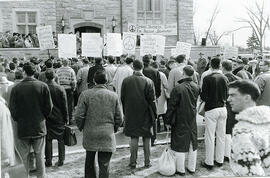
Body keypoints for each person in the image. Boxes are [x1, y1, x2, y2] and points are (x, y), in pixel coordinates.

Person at [75, 70, 122, 178]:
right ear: (107, 81)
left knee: (89, 161)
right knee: (104, 163)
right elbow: (119, 117)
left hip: (90, 131)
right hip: (107, 132)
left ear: (94, 81)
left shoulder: (85, 94)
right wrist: (113, 128)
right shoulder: (113, 96)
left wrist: (82, 127)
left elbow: (79, 115)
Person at [9, 62, 53, 178]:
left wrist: (18, 119)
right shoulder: (43, 86)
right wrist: (42, 117)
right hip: (39, 125)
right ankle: (41, 176)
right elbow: (49, 107)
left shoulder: (16, 88)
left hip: (23, 126)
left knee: (24, 156)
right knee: (40, 156)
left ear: (24, 72)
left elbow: (12, 109)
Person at [228, 80, 270, 176]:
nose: (228, 99)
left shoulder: (242, 131)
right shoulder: (267, 120)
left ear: (247, 97)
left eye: (233, 95)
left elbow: (250, 172)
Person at [121, 60, 157, 169]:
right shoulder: (148, 81)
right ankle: (147, 162)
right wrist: (155, 115)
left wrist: (126, 111)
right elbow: (152, 100)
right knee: (147, 137)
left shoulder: (126, 81)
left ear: (133, 67)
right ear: (142, 67)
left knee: (134, 137)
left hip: (131, 112)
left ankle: (133, 162)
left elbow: (123, 98)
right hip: (146, 112)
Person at [165, 65, 200, 175]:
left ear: (183, 73)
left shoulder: (178, 88)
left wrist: (168, 120)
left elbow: (171, 106)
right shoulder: (196, 87)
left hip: (180, 117)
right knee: (192, 141)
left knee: (180, 142)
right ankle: (192, 167)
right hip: (192, 117)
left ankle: (180, 169)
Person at [200, 57, 228, 169]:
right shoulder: (225, 78)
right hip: (223, 107)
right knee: (221, 135)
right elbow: (227, 94)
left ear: (210, 65)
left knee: (210, 136)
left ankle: (209, 161)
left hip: (211, 109)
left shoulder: (207, 78)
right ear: (220, 65)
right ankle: (220, 159)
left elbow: (203, 96)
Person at [45, 69, 68, 167]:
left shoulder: (43, 87)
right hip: (59, 116)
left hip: (47, 116)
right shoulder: (60, 88)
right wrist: (66, 117)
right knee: (61, 139)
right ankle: (61, 159)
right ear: (54, 76)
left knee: (48, 140)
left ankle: (48, 160)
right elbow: (64, 105)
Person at [221, 60, 241, 162]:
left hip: (227, 106)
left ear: (223, 67)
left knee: (227, 131)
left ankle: (227, 154)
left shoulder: (223, 79)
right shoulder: (238, 79)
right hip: (237, 107)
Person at [142, 55, 161, 145]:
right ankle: (153, 138)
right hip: (153, 97)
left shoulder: (141, 71)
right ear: (150, 61)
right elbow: (158, 85)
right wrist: (157, 95)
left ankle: (144, 137)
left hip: (141, 98)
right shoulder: (155, 71)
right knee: (153, 118)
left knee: (142, 117)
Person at [56, 58, 76, 125]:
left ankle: (62, 119)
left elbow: (56, 79)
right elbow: (73, 81)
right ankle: (69, 119)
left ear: (62, 63)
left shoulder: (58, 70)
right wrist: (73, 89)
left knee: (61, 104)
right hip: (68, 89)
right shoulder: (71, 70)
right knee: (69, 105)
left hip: (60, 88)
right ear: (68, 63)